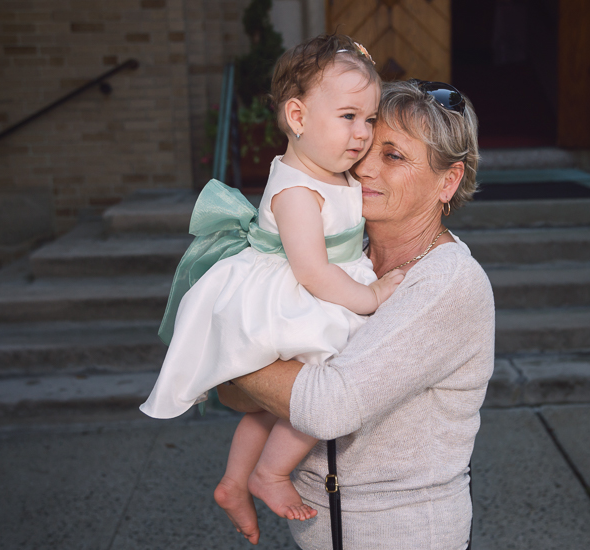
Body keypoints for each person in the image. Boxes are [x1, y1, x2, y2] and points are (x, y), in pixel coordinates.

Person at [139, 35, 404, 544]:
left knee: (270, 407)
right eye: (348, 116)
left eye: (370, 119)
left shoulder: (331, 170)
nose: (363, 133)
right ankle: (270, 473)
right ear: (298, 117)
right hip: (294, 289)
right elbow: (313, 272)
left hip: (324, 280)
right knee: (322, 382)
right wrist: (370, 298)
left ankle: (233, 482)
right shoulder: (298, 191)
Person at [218, 78, 495, 550]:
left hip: (403, 534)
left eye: (394, 156)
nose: (364, 167)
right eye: (364, 146)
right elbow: (237, 398)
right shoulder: (337, 264)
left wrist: (226, 344)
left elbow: (328, 407)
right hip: (315, 526)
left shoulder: (448, 282)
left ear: (448, 180)